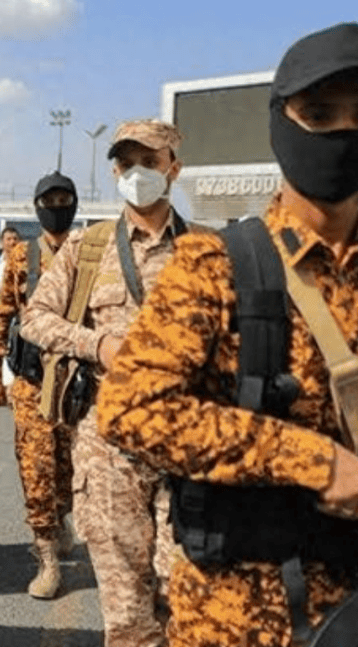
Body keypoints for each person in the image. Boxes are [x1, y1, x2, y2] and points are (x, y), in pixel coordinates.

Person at [97, 23, 358, 646]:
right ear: (280, 125)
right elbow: (129, 408)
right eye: (320, 115)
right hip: (237, 617)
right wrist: (315, 462)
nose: (343, 135)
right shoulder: (218, 265)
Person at [20, 119, 193, 647]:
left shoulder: (206, 250)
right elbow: (34, 319)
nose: (137, 173)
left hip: (187, 441)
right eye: (126, 163)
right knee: (126, 610)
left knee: (185, 594)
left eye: (150, 162)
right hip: (107, 443)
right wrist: (98, 346)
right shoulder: (88, 248)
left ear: (173, 168)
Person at [0, 171, 78, 599]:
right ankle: (47, 557)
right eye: (49, 201)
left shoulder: (89, 253)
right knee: (36, 469)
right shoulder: (22, 256)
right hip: (32, 382)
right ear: (37, 206)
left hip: (77, 384)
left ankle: (61, 515)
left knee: (70, 469)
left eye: (63, 200)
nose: (57, 208)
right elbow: (2, 315)